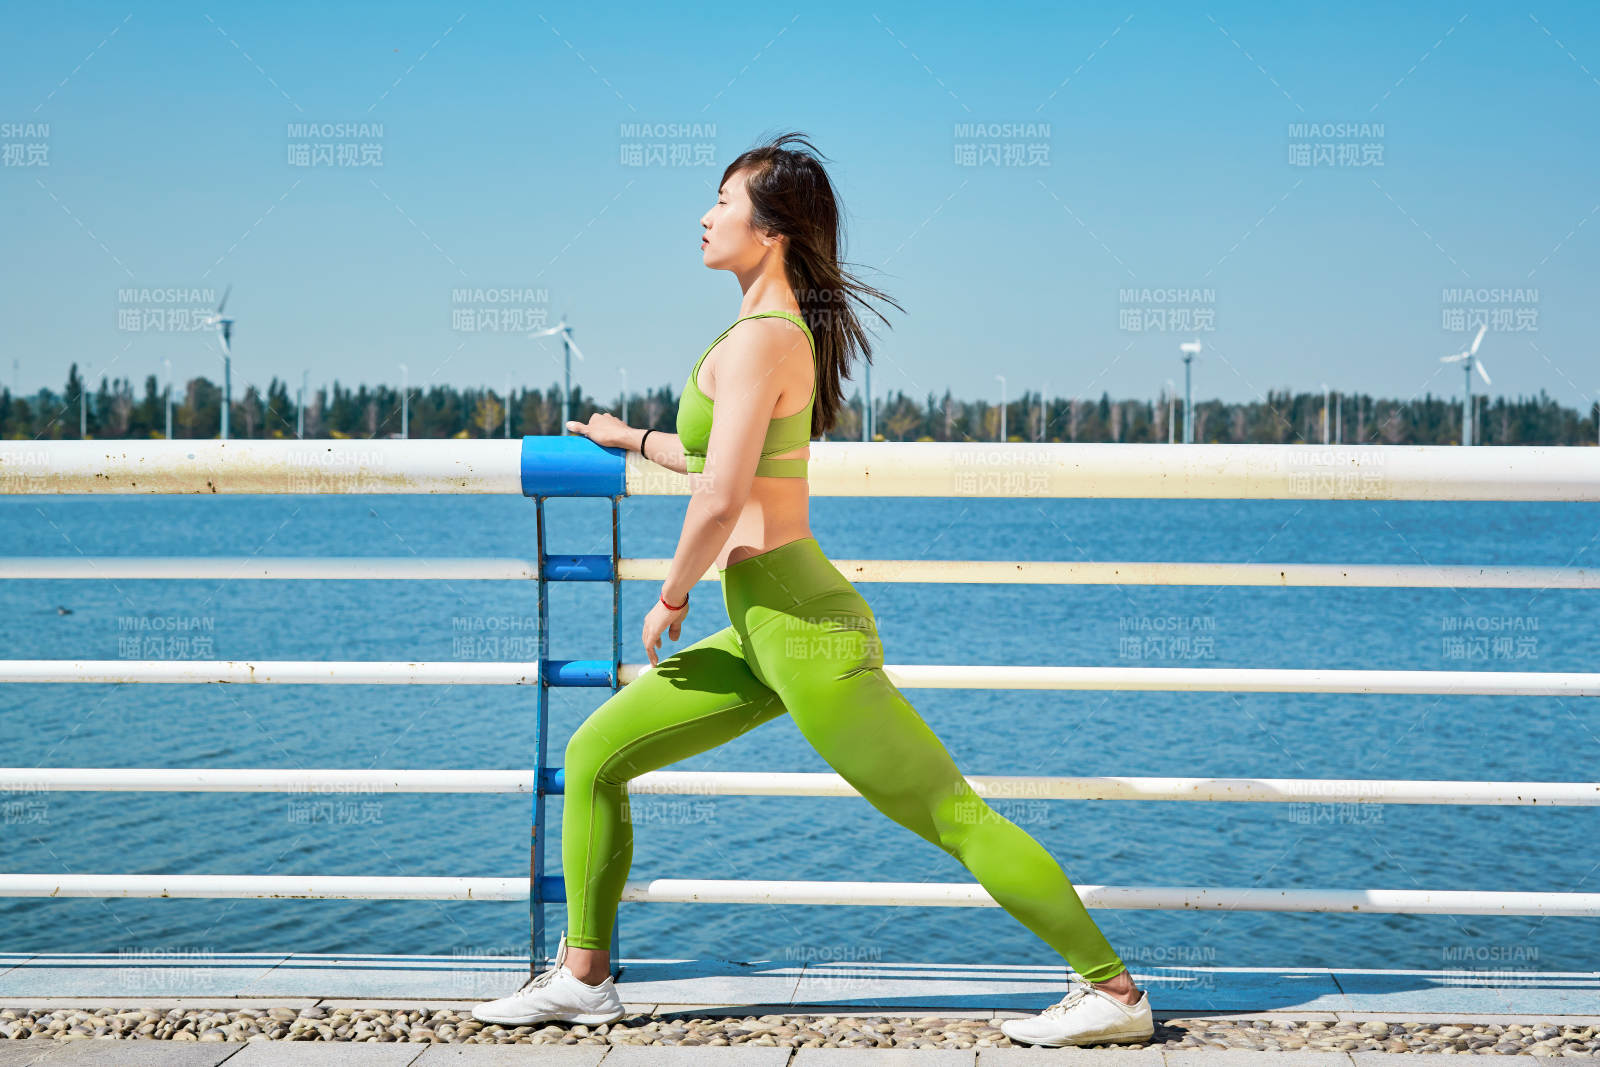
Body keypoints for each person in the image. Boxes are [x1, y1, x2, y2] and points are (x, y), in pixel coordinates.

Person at [472, 131, 1153, 1049]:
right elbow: (720, 460)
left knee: (952, 813)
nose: (705, 216)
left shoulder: (764, 338)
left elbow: (717, 499)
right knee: (596, 757)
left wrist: (671, 595)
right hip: (764, 629)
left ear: (774, 229)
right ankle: (584, 977)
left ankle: (1111, 988)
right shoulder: (763, 332)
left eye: (723, 200)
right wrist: (628, 438)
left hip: (806, 633)